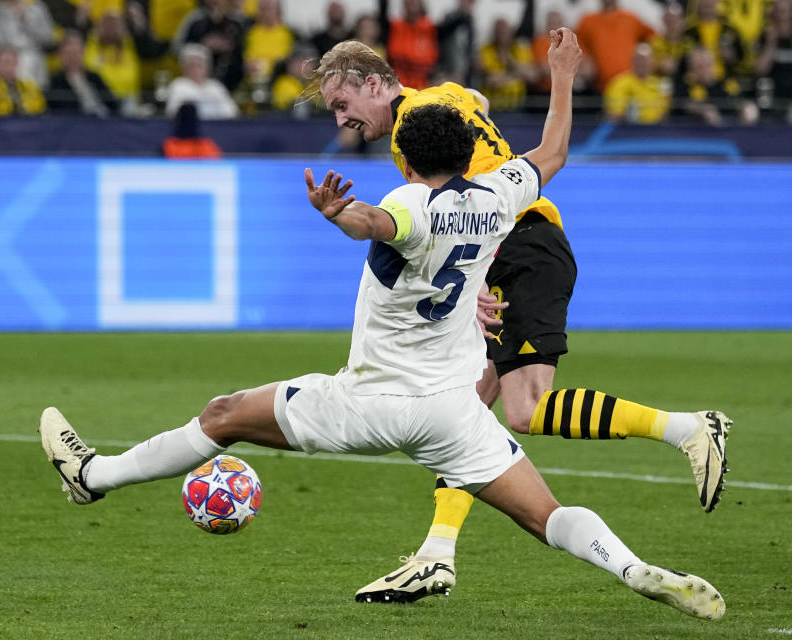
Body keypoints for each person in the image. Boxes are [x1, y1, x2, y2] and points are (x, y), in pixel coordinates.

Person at [41, 30, 725, 621]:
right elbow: (550, 153)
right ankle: (632, 568)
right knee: (545, 514)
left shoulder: (408, 200)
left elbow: (379, 222)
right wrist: (562, 77)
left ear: (407, 147)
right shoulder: (499, 195)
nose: (344, 120)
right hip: (450, 412)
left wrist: (339, 213)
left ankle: (94, 476)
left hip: (367, 404)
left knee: (222, 415)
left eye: (343, 106)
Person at [307, 39, 731, 603]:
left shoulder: (412, 129)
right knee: (463, 411)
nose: (342, 120)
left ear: (375, 83)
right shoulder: (444, 97)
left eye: (342, 103)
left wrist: (477, 280)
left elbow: (470, 209)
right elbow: (477, 104)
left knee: (526, 409)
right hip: (517, 247)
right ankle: (435, 555)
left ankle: (689, 428)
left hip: (519, 248)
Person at [47, 30, 118, 116]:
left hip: (102, 119)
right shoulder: (55, 80)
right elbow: (57, 108)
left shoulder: (94, 76)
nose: (73, 58)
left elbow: (112, 102)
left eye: (76, 53)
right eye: (69, 53)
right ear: (61, 55)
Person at [166, 42, 239, 119]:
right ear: (184, 68)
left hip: (217, 128)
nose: (196, 69)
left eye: (199, 65)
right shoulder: (178, 85)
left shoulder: (216, 86)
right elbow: (173, 112)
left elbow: (232, 112)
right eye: (192, 65)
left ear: (207, 68)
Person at [603, 43, 671, 124]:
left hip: (656, 130)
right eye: (639, 59)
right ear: (633, 61)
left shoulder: (662, 83)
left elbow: (665, 113)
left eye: (646, 60)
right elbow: (613, 115)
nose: (642, 63)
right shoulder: (619, 83)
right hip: (628, 129)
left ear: (652, 62)